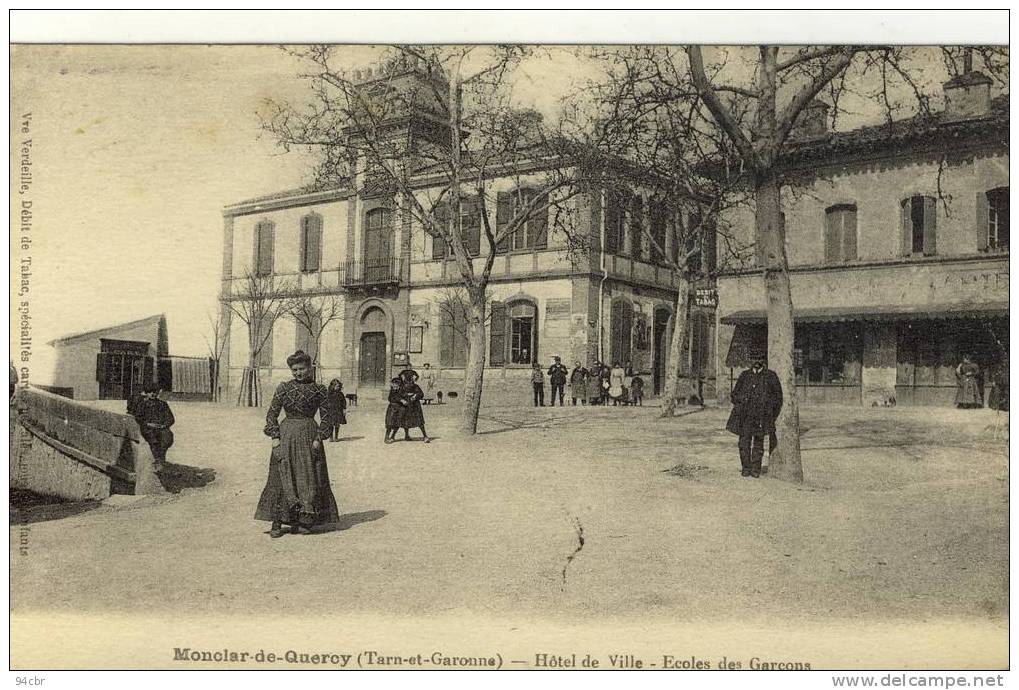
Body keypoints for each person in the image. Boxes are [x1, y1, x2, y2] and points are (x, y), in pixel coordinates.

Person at [255, 350, 340, 538]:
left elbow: (327, 417)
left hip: (309, 436)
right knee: (280, 475)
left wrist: (319, 437)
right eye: (295, 369)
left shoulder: (319, 389)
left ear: (310, 368)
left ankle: (305, 520)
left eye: (302, 369)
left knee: (309, 475)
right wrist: (275, 436)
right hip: (286, 435)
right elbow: (272, 414)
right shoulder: (284, 388)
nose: (298, 373)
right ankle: (277, 521)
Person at [726, 353, 783, 479]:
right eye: (754, 358)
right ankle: (746, 468)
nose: (757, 361)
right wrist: (743, 400)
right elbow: (734, 395)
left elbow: (778, 399)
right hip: (745, 416)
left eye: (760, 359)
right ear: (750, 360)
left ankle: (756, 469)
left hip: (761, 416)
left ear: (764, 360)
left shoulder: (770, 376)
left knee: (758, 443)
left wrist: (770, 412)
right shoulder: (744, 376)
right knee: (743, 443)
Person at [127, 383, 175, 473]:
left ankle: (161, 458)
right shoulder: (143, 404)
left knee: (167, 438)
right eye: (150, 392)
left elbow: (171, 418)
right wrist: (148, 424)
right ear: (146, 393)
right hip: (148, 428)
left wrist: (164, 425)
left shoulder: (163, 404)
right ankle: (157, 459)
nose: (152, 394)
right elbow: (138, 418)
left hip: (161, 427)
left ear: (157, 393)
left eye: (154, 392)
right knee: (153, 439)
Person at [399, 368, 432, 442]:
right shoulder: (402, 386)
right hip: (406, 405)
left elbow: (421, 394)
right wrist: (405, 397)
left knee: (419, 421)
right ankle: (406, 435)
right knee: (406, 421)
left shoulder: (415, 386)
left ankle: (425, 436)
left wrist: (415, 396)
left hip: (415, 405)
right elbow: (399, 394)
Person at [385, 377, 406, 444]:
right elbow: (390, 398)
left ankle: (393, 436)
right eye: (393, 385)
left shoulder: (401, 390)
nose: (394, 386)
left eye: (396, 385)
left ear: (399, 385)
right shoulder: (392, 390)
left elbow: (404, 396)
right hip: (392, 408)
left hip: (400, 408)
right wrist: (400, 400)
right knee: (390, 424)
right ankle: (386, 437)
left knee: (398, 423)